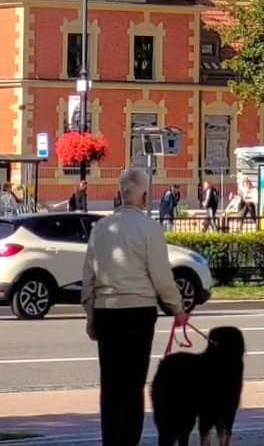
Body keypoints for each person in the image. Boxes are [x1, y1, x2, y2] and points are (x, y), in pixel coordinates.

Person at [82, 166, 187, 446]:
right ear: (143, 195)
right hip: (138, 313)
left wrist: (91, 314)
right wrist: (177, 309)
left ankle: (111, 441)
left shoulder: (101, 228)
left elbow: (88, 276)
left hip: (106, 312)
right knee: (132, 385)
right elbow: (162, 276)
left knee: (111, 385)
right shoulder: (150, 229)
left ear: (119, 193)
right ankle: (128, 440)